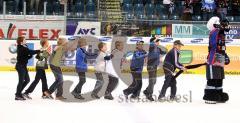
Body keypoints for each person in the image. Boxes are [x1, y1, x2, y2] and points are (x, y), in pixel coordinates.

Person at [203, 17, 230, 104]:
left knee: (219, 77)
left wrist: (225, 55)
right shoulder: (214, 32)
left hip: (220, 56)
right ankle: (209, 95)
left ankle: (218, 93)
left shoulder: (220, 33)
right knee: (213, 77)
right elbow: (214, 46)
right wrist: (222, 28)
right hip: (213, 57)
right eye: (218, 23)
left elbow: (221, 46)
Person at [15, 36, 40, 100]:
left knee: (27, 80)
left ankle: (19, 93)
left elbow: (26, 55)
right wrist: (39, 50)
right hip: (20, 66)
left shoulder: (24, 46)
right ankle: (17, 95)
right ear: (21, 42)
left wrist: (29, 56)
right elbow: (30, 52)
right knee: (21, 81)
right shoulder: (21, 47)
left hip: (23, 66)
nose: (25, 40)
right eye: (24, 39)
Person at [143, 37, 166, 101]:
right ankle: (149, 95)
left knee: (154, 81)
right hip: (151, 66)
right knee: (152, 81)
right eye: (157, 41)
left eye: (158, 41)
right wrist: (155, 38)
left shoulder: (158, 48)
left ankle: (146, 91)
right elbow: (151, 42)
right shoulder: (151, 47)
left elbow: (163, 52)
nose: (158, 42)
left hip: (155, 66)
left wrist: (167, 51)